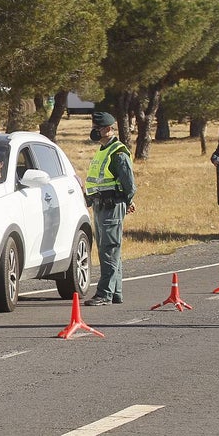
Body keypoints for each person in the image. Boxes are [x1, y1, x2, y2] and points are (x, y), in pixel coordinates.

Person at [83, 112, 136, 306]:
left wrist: (126, 201)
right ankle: (115, 293)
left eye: (97, 128)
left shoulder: (118, 152)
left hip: (111, 206)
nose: (94, 131)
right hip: (100, 205)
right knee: (110, 249)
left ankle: (104, 293)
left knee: (109, 250)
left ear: (107, 129)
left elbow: (129, 184)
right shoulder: (103, 150)